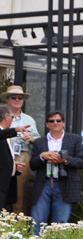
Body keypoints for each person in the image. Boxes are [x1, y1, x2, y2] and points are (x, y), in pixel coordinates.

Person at [29, 111, 83, 233]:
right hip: (43, 183)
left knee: (60, 223)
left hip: (65, 184)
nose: (55, 123)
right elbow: (32, 165)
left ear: (63, 123)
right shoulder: (39, 142)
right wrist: (42, 156)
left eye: (58, 120)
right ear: (47, 124)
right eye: (51, 121)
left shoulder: (75, 139)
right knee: (37, 221)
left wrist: (64, 160)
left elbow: (82, 162)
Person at [1, 85, 38, 215]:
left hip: (21, 155)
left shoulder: (29, 120)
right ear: (7, 99)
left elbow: (38, 142)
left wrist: (31, 139)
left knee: (20, 193)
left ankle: (18, 222)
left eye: (20, 98)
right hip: (4, 155)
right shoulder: (2, 117)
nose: (17, 100)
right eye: (14, 97)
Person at [0, 105, 30, 210]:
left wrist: (14, 167)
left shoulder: (5, 135)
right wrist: (16, 130)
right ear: (6, 116)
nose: (12, 120)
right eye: (12, 117)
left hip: (5, 184)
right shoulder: (3, 133)